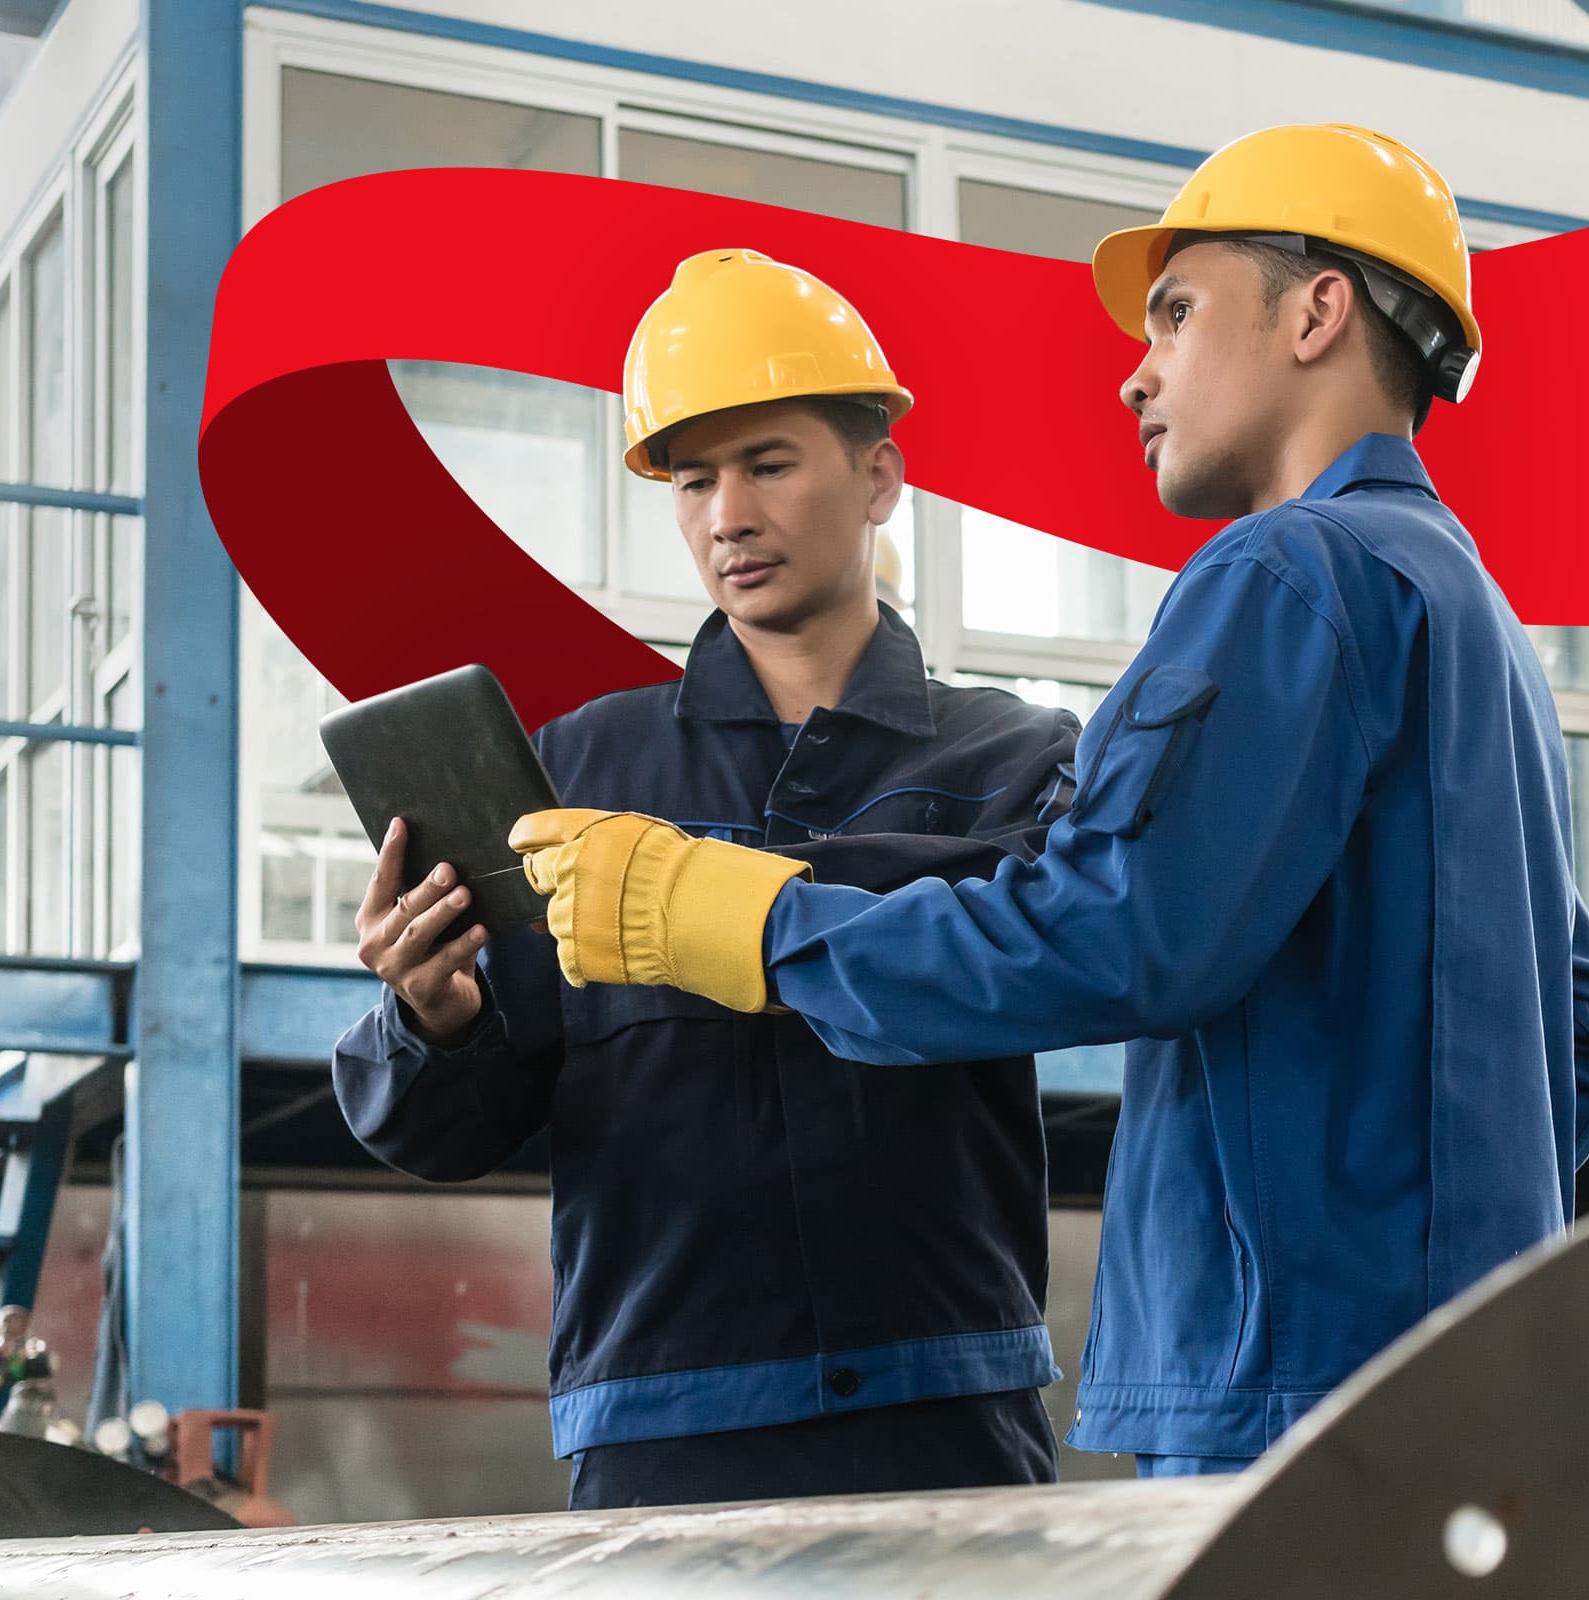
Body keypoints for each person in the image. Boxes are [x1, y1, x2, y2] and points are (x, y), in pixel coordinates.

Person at [510, 126, 1589, 1478]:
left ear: (1319, 311)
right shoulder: (1470, 616)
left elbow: (1116, 931)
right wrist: (1417, 1240)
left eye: (1175, 311)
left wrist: (747, 919)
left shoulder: (1282, 576)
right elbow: (1583, 1032)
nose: (1135, 370)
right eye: (692, 480)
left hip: (1290, 1402)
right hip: (1465, 1382)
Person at [335, 249, 1080, 1509]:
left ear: (881, 476)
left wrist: (722, 887)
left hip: (940, 1410)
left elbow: (1040, 974)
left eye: (768, 463)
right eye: (692, 481)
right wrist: (435, 1018)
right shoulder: (573, 771)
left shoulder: (1010, 757)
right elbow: (439, 1131)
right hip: (665, 1427)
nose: (726, 515)